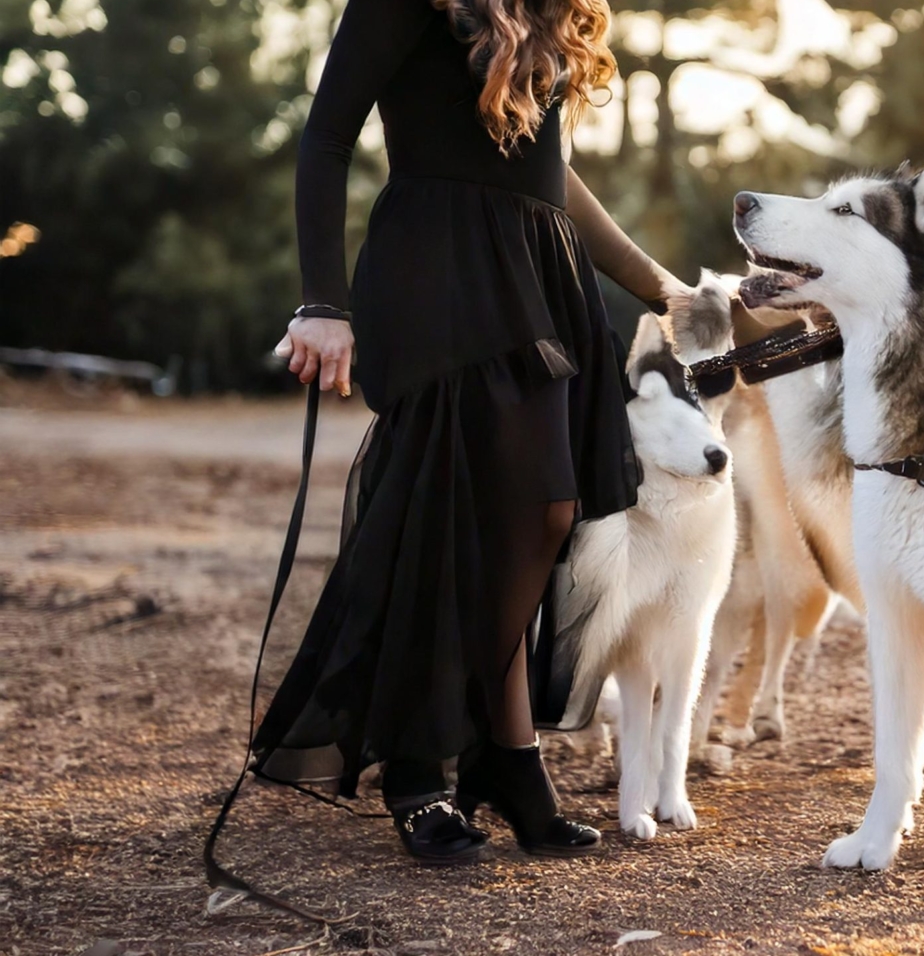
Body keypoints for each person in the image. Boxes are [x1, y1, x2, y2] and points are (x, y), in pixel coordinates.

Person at [257, 0, 685, 864]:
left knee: (538, 520)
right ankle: (424, 768)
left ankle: (499, 757)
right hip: (438, 268)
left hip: (533, 271)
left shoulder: (545, 7)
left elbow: (549, 173)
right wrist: (320, 305)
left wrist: (663, 289)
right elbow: (327, 138)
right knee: (472, 521)